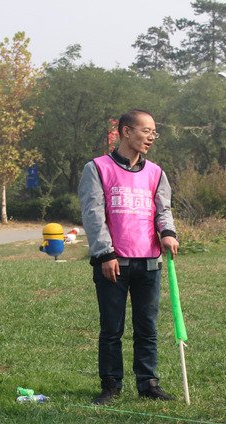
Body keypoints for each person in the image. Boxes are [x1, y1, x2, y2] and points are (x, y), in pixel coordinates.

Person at [78, 109, 179, 405]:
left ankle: (148, 383)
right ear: (125, 131)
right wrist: (105, 253)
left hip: (149, 262)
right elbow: (93, 214)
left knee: (147, 327)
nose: (150, 137)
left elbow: (163, 209)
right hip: (113, 264)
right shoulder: (97, 168)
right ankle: (111, 384)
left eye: (153, 133)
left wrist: (168, 233)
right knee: (112, 328)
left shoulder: (156, 173)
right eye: (145, 131)